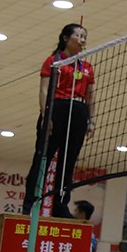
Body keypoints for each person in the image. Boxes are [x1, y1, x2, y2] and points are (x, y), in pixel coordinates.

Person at [24, 23, 96, 219]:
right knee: (42, 159)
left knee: (68, 163)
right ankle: (30, 203)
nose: (82, 39)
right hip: (57, 109)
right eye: (78, 35)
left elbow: (90, 96)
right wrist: (46, 115)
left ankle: (60, 205)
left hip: (79, 111)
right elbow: (44, 90)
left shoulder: (87, 67)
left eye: (84, 36)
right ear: (65, 38)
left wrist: (91, 121)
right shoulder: (53, 61)